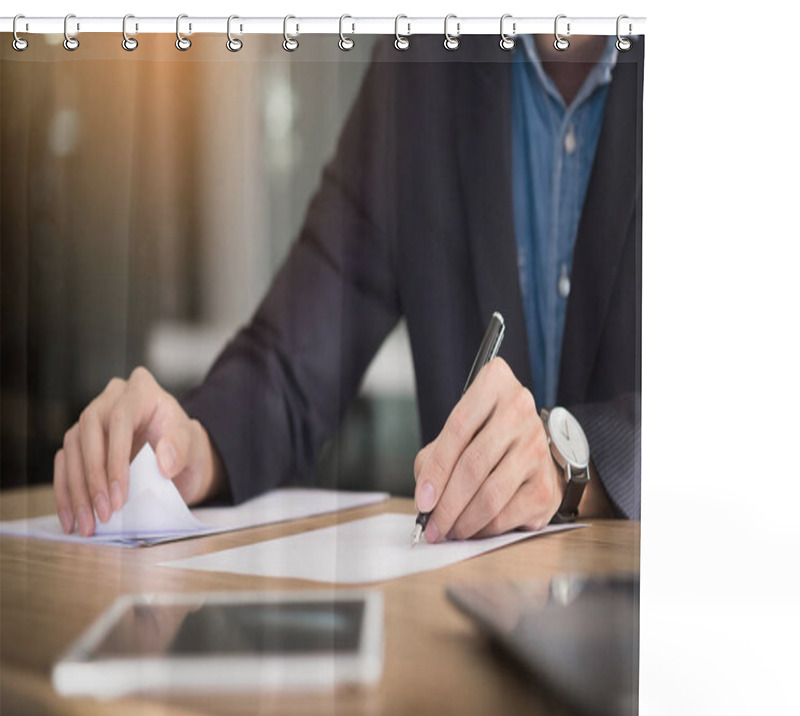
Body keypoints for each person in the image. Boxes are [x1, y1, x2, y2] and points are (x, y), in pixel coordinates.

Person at [52, 33, 642, 542]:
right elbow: (296, 353)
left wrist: (569, 456)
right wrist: (194, 448)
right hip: (463, 619)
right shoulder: (427, 62)